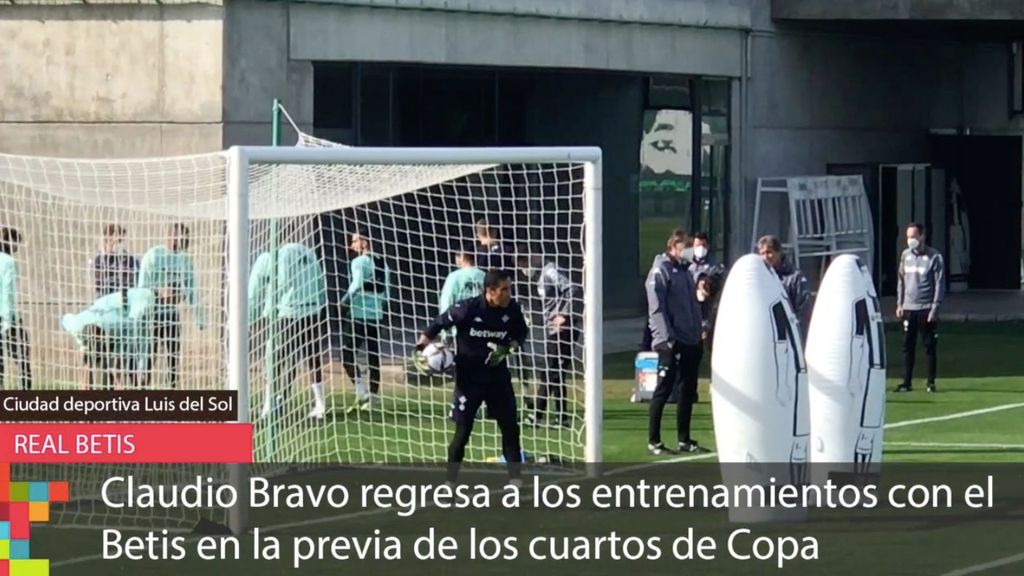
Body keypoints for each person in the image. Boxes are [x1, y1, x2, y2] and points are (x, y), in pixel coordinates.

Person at [413, 269, 529, 485]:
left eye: (509, 288)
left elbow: (521, 334)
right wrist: (420, 348)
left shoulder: (512, 310)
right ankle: (450, 483)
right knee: (463, 432)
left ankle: (516, 482)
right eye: (504, 289)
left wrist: (508, 348)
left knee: (510, 427)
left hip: (498, 379)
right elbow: (436, 325)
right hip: (469, 381)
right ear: (490, 291)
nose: (508, 293)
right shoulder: (466, 309)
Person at [249, 242, 328, 418]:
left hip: (289, 313)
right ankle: (319, 404)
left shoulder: (282, 255)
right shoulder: (308, 251)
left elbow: (282, 282)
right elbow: (320, 280)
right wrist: (321, 304)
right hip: (312, 311)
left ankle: (270, 405)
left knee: (276, 357)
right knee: (311, 358)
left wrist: (267, 312)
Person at [646, 229, 705, 455]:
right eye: (684, 248)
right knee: (663, 389)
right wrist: (666, 338)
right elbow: (657, 308)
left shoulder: (686, 272)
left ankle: (684, 439)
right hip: (670, 341)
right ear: (672, 248)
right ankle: (654, 440)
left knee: (687, 390)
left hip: (690, 339)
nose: (688, 252)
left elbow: (693, 305)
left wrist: (699, 330)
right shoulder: (660, 271)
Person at [137, 223, 205, 389]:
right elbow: (142, 288)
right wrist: (159, 294)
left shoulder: (185, 260)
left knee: (173, 357)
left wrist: (199, 317)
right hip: (152, 315)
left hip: (172, 315)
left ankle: (171, 393)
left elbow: (191, 289)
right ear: (170, 236)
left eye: (184, 239)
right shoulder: (153, 256)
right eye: (178, 237)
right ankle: (140, 390)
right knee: (148, 356)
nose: (181, 241)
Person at [518, 252, 575, 428]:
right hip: (552, 329)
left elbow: (572, 288)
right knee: (555, 373)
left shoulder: (551, 271)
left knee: (550, 372)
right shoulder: (542, 274)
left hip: (563, 328)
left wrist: (563, 314)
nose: (523, 269)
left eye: (523, 263)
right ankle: (561, 417)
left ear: (531, 258)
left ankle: (537, 416)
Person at [62, 287, 156, 390]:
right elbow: (65, 319)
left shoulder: (118, 322)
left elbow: (123, 298)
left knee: (121, 367)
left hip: (137, 307)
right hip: (118, 317)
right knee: (96, 364)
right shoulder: (76, 326)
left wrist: (123, 300)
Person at [340, 228, 390, 412]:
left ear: (365, 242)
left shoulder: (358, 262)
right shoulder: (383, 263)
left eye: (354, 241)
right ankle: (373, 397)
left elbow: (356, 284)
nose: (352, 245)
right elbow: (387, 291)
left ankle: (361, 392)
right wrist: (382, 310)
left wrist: (343, 302)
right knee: (373, 356)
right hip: (375, 316)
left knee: (346, 354)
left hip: (358, 315)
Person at [895, 222, 945, 393]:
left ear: (922, 236)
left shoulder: (934, 257)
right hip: (909, 308)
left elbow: (939, 284)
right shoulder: (905, 256)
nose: (911, 241)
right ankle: (906, 382)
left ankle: (930, 382)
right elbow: (901, 280)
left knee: (929, 345)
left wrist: (934, 308)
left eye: (914, 237)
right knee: (907, 346)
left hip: (925, 308)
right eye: (908, 237)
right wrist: (900, 304)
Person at [757, 235, 812, 345]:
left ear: (779, 252)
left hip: (789, 338)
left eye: (769, 252)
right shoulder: (760, 277)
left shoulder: (795, 277)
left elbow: (803, 311)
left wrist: (796, 338)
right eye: (762, 253)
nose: (766, 257)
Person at [0, 227, 31, 390]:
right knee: (22, 355)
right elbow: (8, 292)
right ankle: (24, 395)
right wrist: (8, 319)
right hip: (6, 317)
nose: (17, 247)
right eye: (16, 243)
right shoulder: (8, 262)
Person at [689, 232, 728, 344]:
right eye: (697, 245)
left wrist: (707, 284)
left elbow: (720, 280)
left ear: (708, 247)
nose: (700, 249)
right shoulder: (685, 262)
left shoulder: (715, 266)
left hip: (706, 310)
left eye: (703, 245)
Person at [93, 224, 139, 298]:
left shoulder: (131, 260)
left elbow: (135, 284)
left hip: (125, 298)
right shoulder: (100, 259)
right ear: (105, 241)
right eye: (111, 241)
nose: (114, 244)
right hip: (105, 298)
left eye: (118, 241)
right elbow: (99, 286)